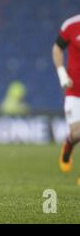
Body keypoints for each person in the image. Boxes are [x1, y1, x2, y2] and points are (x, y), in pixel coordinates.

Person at [53, 15, 80, 182]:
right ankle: (69, 143)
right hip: (74, 90)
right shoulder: (72, 25)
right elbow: (57, 48)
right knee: (77, 133)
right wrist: (62, 74)